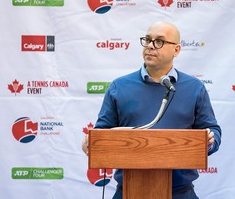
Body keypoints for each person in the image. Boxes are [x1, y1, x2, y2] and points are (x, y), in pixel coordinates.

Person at [82, 21, 222, 199]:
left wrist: (210, 139)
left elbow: (213, 130)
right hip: (128, 191)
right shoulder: (119, 86)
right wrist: (92, 141)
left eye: (159, 41)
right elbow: (102, 131)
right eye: (147, 40)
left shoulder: (194, 87)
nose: (150, 46)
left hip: (180, 192)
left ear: (176, 50)